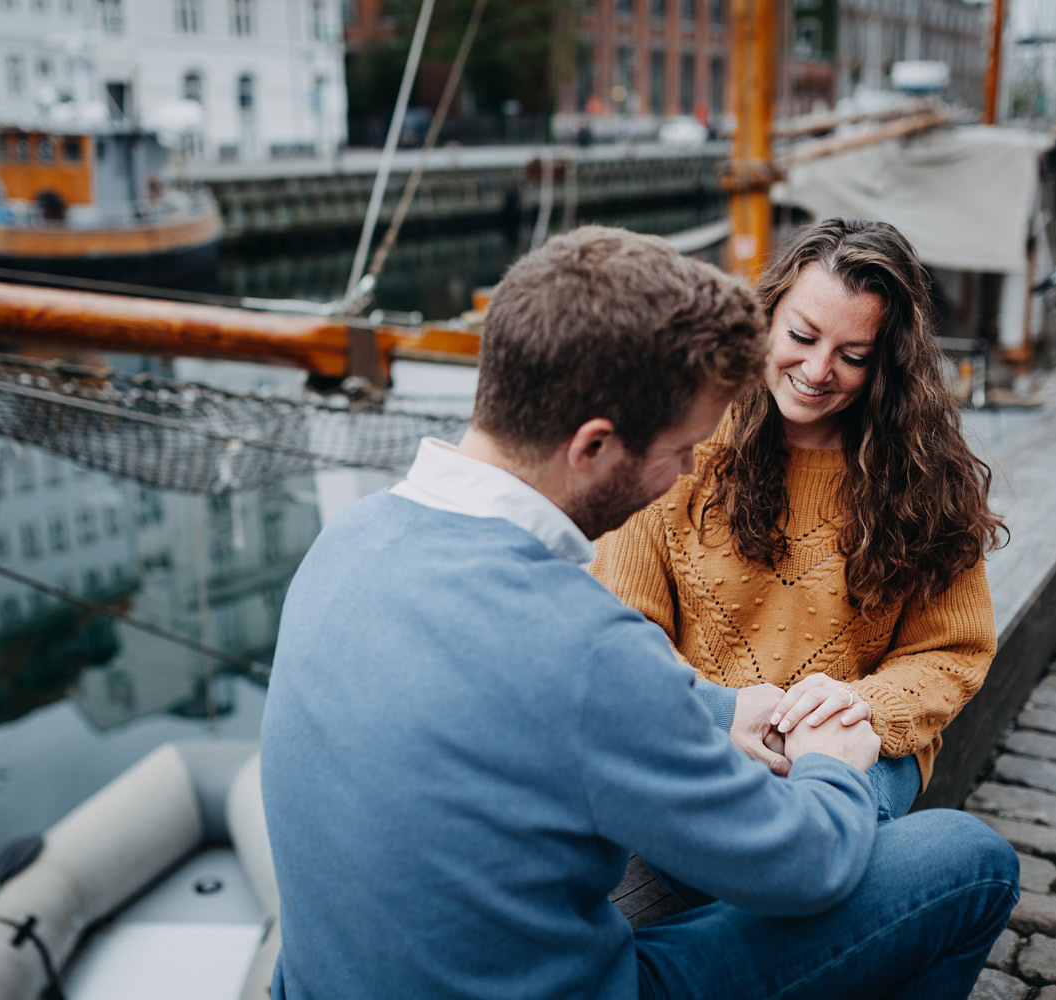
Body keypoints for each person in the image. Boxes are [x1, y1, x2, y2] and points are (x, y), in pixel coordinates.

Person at [260, 225, 1017, 1000]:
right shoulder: (586, 645)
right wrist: (827, 761)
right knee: (973, 861)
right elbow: (807, 865)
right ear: (593, 445)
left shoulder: (345, 540)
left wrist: (721, 707)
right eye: (681, 449)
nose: (692, 469)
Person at [593, 217, 1007, 820]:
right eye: (803, 336)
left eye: (853, 355)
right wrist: (716, 710)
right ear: (766, 315)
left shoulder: (924, 473)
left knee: (809, 833)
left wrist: (861, 707)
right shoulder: (676, 441)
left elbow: (952, 648)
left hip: (859, 746)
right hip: (699, 728)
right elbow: (623, 625)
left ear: (888, 364)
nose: (817, 371)